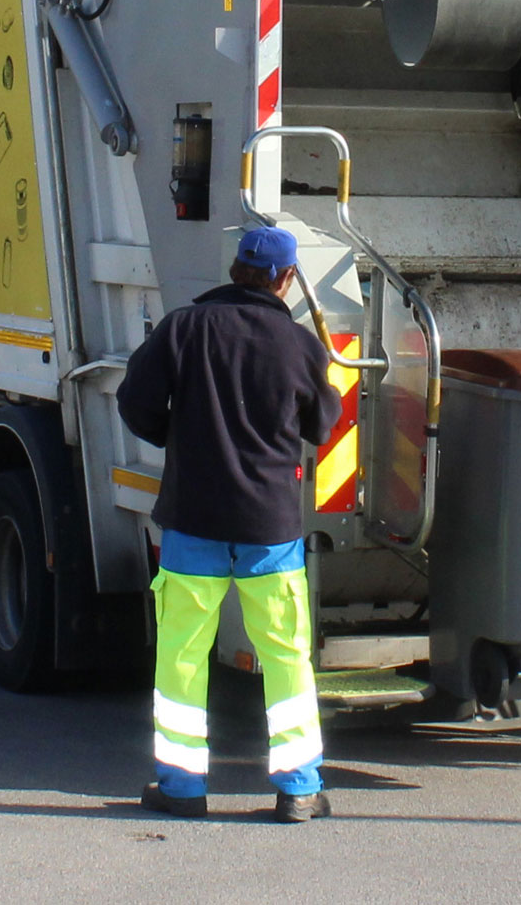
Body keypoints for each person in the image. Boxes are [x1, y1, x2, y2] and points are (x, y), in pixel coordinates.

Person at [117, 225, 342, 821]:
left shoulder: (184, 329)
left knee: (183, 656)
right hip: (269, 528)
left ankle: (182, 788)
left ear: (237, 268)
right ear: (285, 279)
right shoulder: (298, 345)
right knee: (287, 656)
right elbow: (322, 426)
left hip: (192, 520)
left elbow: (134, 401)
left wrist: (180, 441)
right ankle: (299, 790)